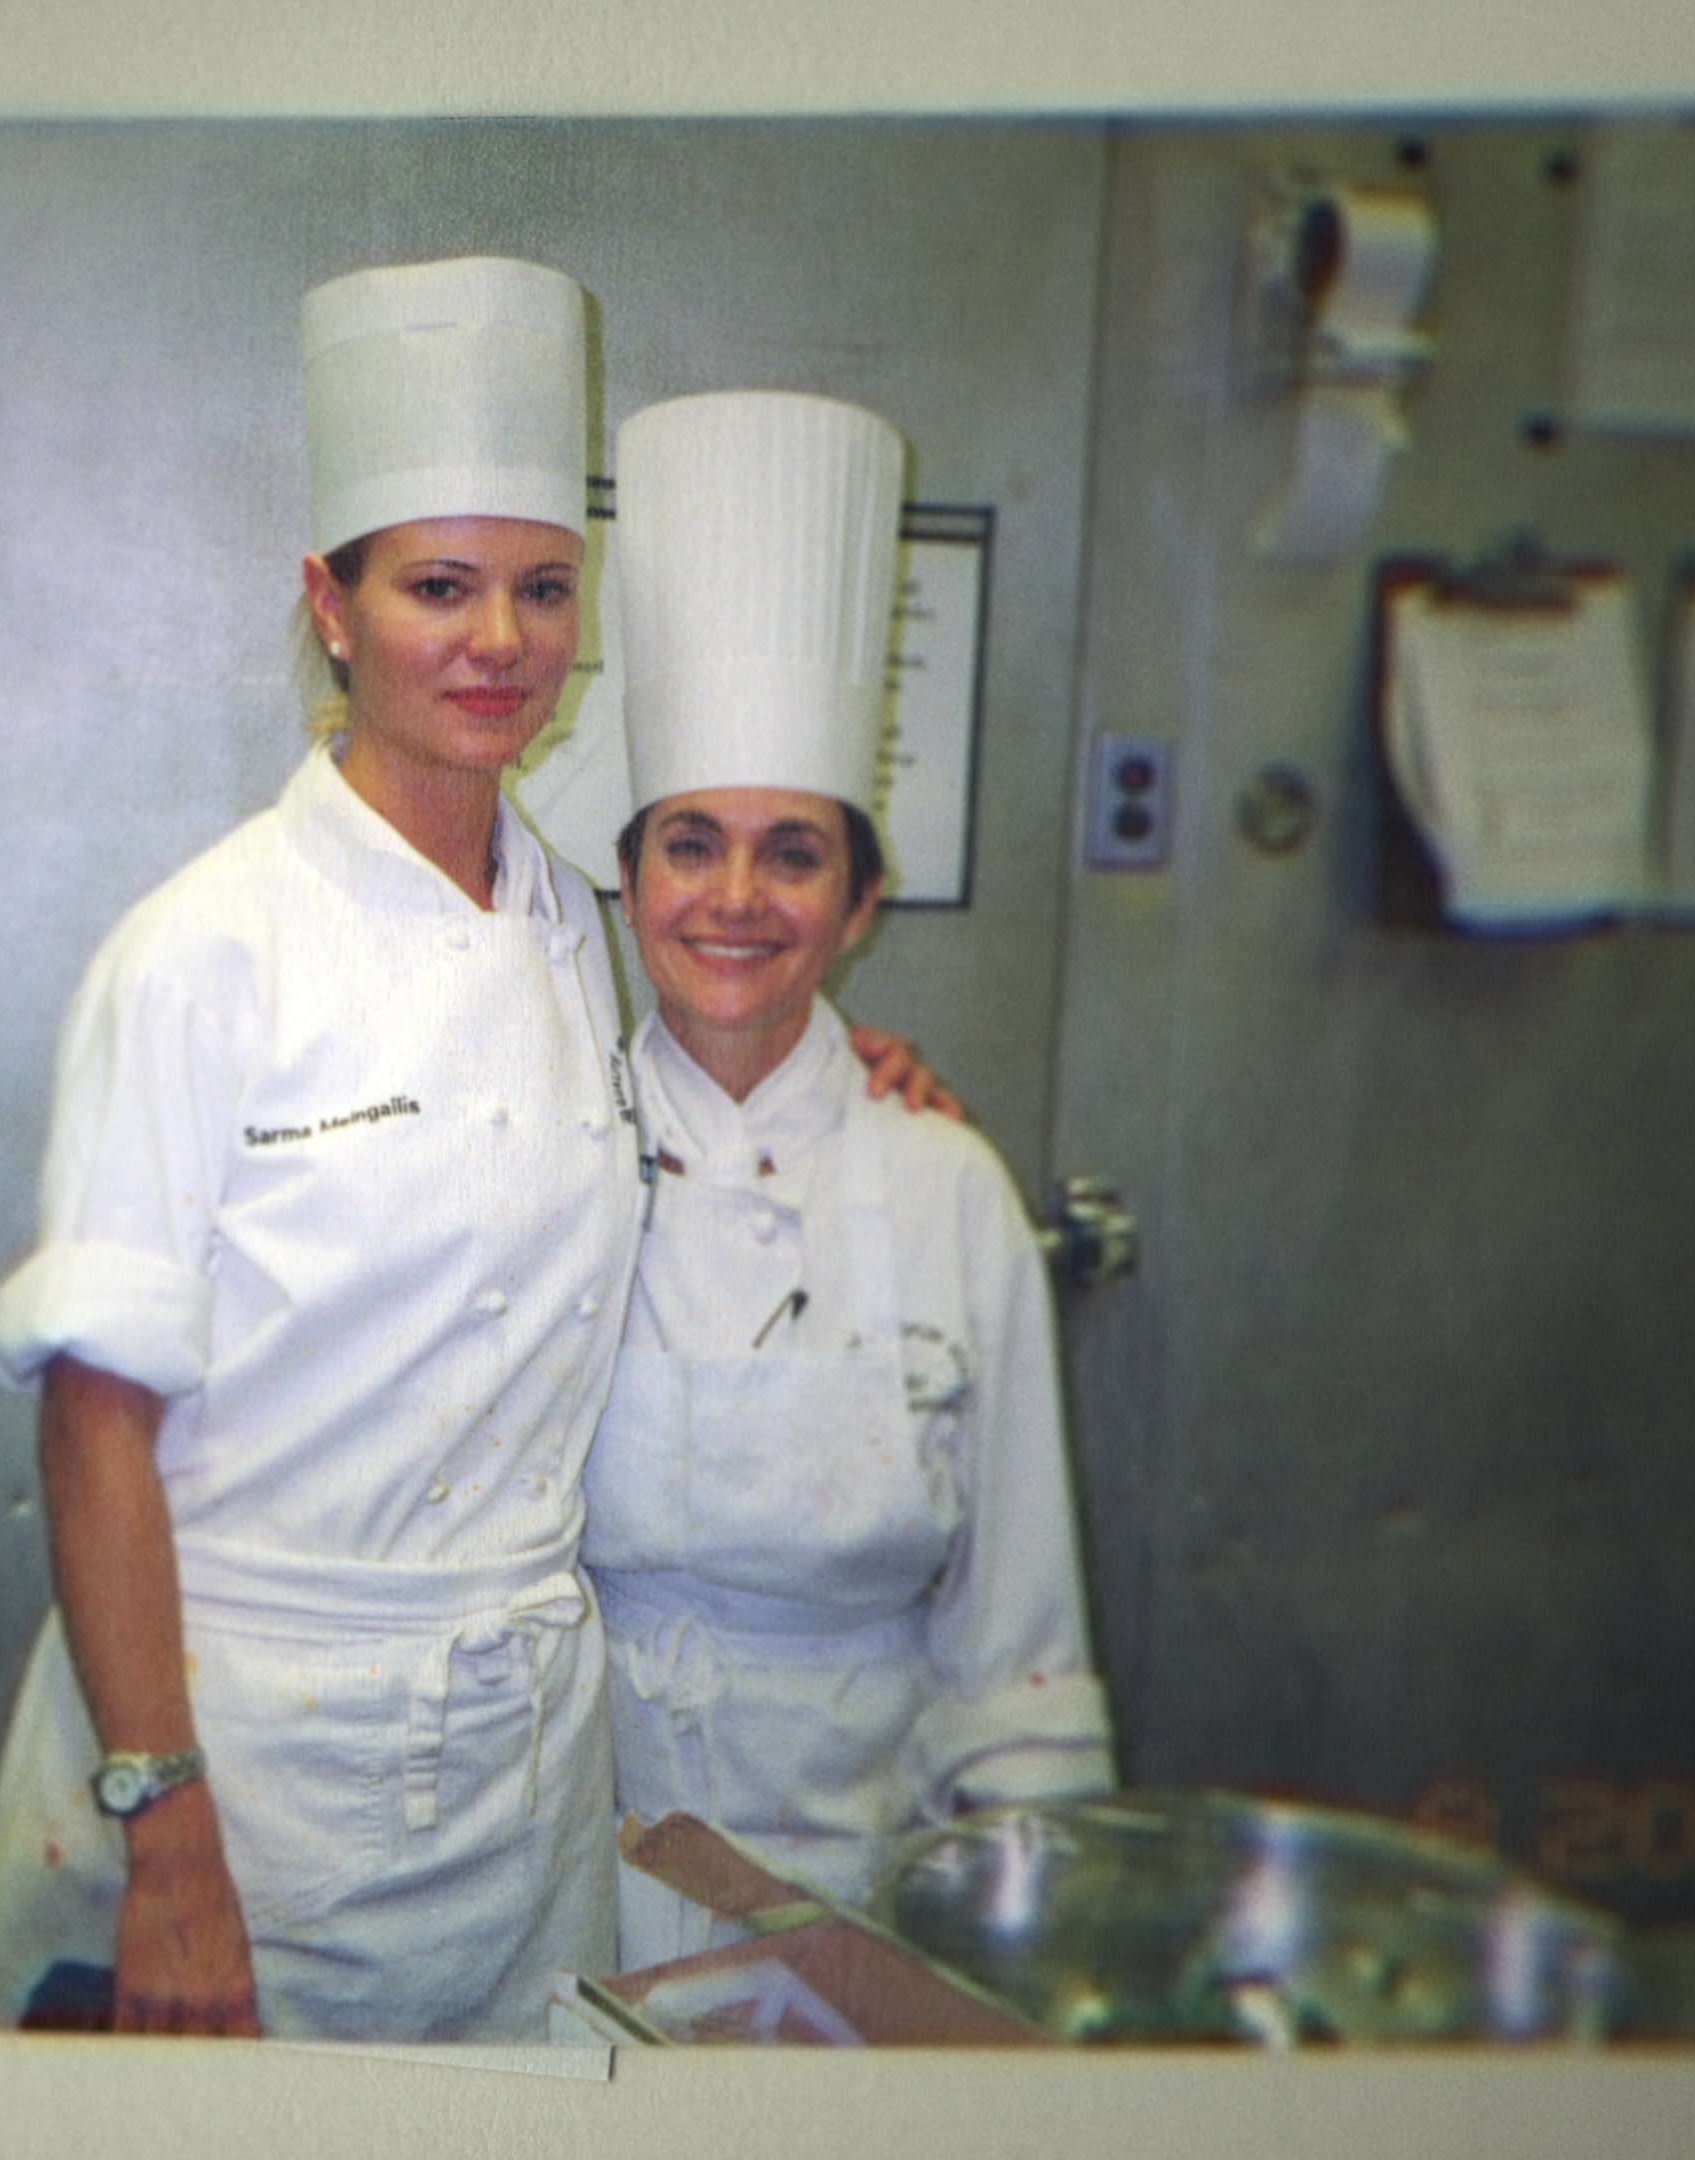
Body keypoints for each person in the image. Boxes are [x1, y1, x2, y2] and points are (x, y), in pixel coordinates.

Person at [0, 262, 943, 2042]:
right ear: (330, 605)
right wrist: (166, 1838)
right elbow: (94, 1423)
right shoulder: (204, 954)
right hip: (250, 1771)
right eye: (438, 588)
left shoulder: (570, 921)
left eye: (543, 589)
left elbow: (713, 1051)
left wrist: (861, 1090)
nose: (498, 642)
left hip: (520, 1784)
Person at [582, 389, 1116, 1971]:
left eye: (794, 852)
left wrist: (1027, 1955)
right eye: (691, 843)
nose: (735, 898)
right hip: (558, 1898)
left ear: (863, 899)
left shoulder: (948, 1188)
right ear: (627, 876)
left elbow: (1018, 1655)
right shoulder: (540, 1164)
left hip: (868, 1922)